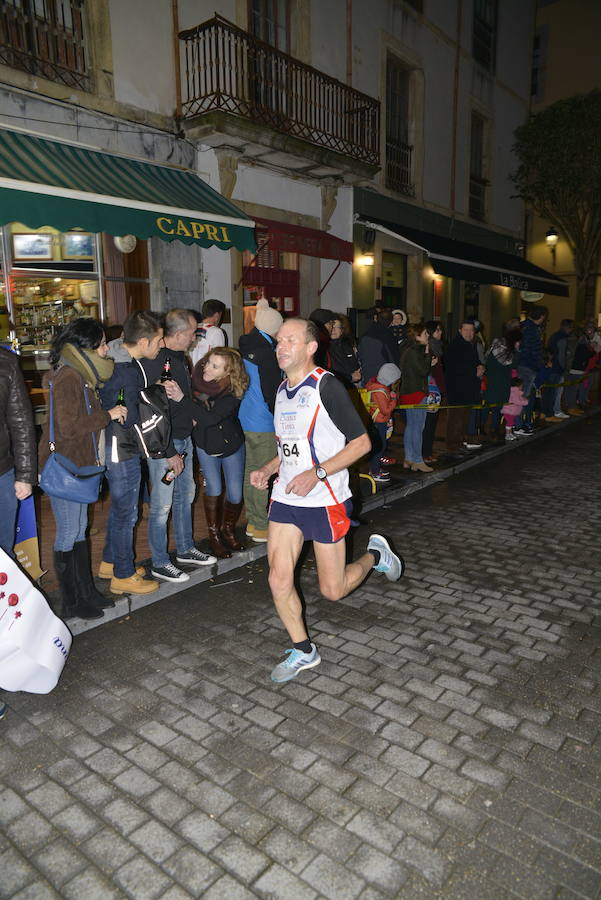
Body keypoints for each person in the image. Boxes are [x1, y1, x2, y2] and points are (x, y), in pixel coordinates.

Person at [250, 318, 404, 684]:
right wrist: (271, 468)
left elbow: (363, 444)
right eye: (279, 341)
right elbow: (290, 447)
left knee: (333, 590)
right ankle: (304, 651)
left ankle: (377, 556)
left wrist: (317, 473)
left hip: (326, 498)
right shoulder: (282, 391)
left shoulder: (327, 386)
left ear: (310, 347)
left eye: (291, 340)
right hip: (287, 497)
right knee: (278, 578)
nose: (281, 346)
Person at [40, 318, 127, 618]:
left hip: (79, 464)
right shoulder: (68, 377)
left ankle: (85, 590)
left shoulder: (82, 375)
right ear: (84, 348)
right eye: (101, 344)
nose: (106, 349)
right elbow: (68, 427)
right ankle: (71, 601)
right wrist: (108, 414)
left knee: (79, 530)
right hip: (66, 465)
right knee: (68, 532)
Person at [140, 309, 216, 583]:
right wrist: (169, 449)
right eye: (193, 332)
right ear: (180, 333)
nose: (195, 338)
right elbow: (153, 412)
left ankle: (185, 548)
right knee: (161, 505)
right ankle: (160, 562)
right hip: (166, 443)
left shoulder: (179, 359)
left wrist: (190, 412)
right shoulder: (155, 360)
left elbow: (180, 399)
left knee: (186, 495)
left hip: (184, 438)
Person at [99, 311, 164, 595]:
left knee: (121, 508)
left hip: (117, 443)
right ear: (145, 341)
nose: (161, 345)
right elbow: (131, 414)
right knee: (127, 512)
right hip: (122, 445)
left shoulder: (115, 355)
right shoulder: (125, 370)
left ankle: (111, 561)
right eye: (159, 340)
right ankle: (122, 575)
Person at [192, 348, 249, 559]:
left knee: (235, 494)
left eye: (215, 366)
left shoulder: (233, 391)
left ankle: (228, 528)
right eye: (208, 362)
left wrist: (186, 403)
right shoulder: (193, 381)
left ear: (227, 373)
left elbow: (210, 419)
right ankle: (214, 535)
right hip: (205, 444)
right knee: (214, 488)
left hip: (230, 443)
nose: (207, 368)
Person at [239, 298, 283, 543]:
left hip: (245, 417)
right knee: (262, 473)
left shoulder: (245, 342)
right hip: (263, 421)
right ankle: (259, 524)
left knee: (250, 471)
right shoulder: (267, 354)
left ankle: (252, 521)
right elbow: (271, 393)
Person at [0, 345, 36, 560]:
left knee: (4, 551)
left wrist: (25, 475)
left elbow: (21, 421)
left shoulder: (5, 361)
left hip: (2, 472)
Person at [444, 320, 484, 457]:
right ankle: (452, 445)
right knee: (455, 419)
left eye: (472, 330)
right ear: (460, 330)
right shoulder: (455, 346)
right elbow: (455, 367)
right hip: (457, 389)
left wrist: (480, 366)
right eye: (466, 330)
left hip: (468, 389)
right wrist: (474, 370)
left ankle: (459, 443)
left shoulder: (470, 345)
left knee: (464, 419)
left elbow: (474, 361)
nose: (469, 333)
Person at [398, 323, 433, 472]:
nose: (428, 336)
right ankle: (417, 460)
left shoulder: (406, 349)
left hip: (407, 392)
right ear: (418, 336)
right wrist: (427, 355)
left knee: (411, 426)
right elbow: (423, 371)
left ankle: (409, 458)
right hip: (417, 392)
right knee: (418, 426)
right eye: (425, 334)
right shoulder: (416, 351)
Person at [483, 322, 522, 440]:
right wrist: (517, 351)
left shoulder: (497, 347)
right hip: (497, 382)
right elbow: (513, 365)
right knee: (494, 407)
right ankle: (489, 429)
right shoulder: (507, 352)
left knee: (492, 407)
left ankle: (487, 429)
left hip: (496, 382)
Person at [364, 362, 401, 483]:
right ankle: (374, 472)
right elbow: (385, 410)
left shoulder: (377, 386)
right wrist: (394, 400)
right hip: (380, 421)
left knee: (379, 445)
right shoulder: (380, 391)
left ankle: (376, 468)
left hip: (378, 420)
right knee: (380, 447)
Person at [516, 306, 547, 433]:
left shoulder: (523, 326)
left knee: (524, 396)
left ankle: (525, 423)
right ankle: (521, 425)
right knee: (524, 397)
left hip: (523, 365)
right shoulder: (532, 330)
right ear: (541, 317)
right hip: (528, 367)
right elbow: (532, 351)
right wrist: (539, 366)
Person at [422, 321, 445, 462]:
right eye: (437, 330)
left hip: (436, 388)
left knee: (432, 422)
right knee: (428, 423)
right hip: (430, 389)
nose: (440, 333)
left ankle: (428, 452)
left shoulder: (437, 347)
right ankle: (425, 453)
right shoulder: (428, 348)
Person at [359, 308, 399, 382]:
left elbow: (360, 354)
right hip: (383, 375)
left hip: (366, 373)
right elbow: (393, 359)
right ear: (391, 322)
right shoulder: (389, 337)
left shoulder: (366, 334)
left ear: (376, 319)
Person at [546, 319, 574, 420]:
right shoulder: (562, 338)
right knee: (557, 391)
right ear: (568, 327)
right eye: (571, 328)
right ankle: (556, 410)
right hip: (557, 368)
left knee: (551, 391)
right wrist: (563, 368)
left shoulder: (554, 336)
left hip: (552, 367)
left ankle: (549, 411)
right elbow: (561, 355)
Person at [190, 299, 226, 369]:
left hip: (191, 373)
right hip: (207, 373)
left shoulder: (192, 329)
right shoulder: (216, 332)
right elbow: (219, 358)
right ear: (217, 315)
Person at [328, 316, 361, 386]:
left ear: (342, 331)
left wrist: (357, 372)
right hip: (334, 385)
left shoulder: (347, 345)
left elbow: (355, 364)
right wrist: (350, 377)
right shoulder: (323, 347)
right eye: (332, 326)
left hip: (350, 384)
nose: (333, 330)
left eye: (337, 327)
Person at [501, 373, 529, 441]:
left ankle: (510, 433)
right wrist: (526, 402)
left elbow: (519, 398)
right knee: (509, 423)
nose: (522, 387)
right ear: (518, 385)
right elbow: (517, 401)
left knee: (511, 422)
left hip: (511, 411)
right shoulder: (514, 392)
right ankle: (507, 435)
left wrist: (524, 399)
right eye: (521, 385)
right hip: (509, 411)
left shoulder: (515, 391)